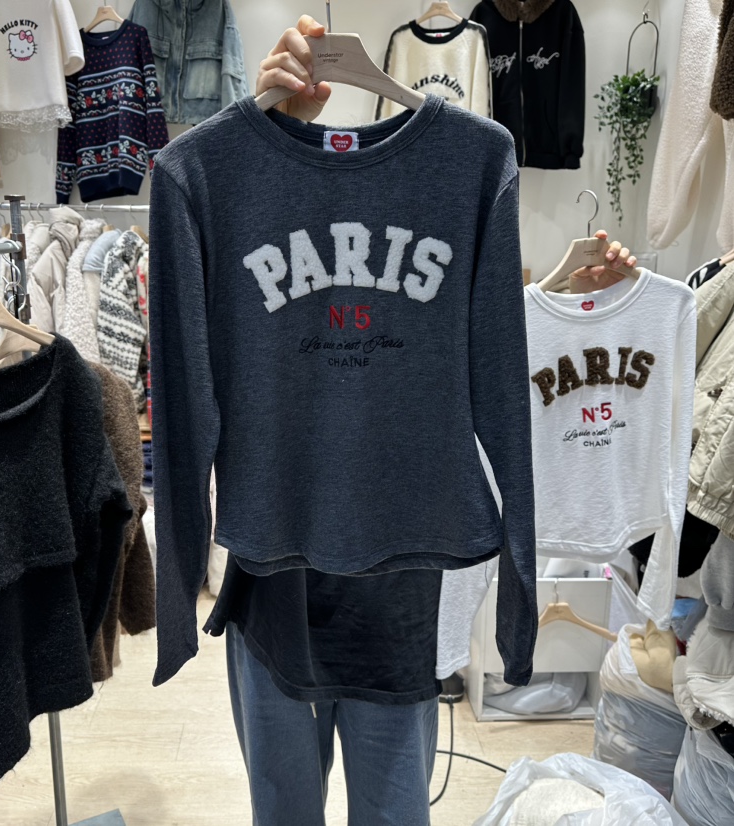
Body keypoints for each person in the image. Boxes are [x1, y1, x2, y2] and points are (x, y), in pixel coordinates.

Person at [207, 16, 639, 826]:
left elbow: (477, 343)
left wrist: (569, 299)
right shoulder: (229, 176)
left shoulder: (465, 166)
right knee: (285, 811)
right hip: (275, 581)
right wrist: (261, 126)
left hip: (398, 589)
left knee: (392, 811)